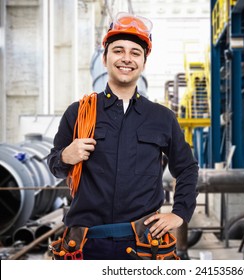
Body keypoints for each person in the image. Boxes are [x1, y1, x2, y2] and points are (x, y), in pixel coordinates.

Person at [47, 12, 199, 260]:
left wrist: (180, 213)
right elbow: (54, 164)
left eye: (135, 53)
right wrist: (65, 155)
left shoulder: (162, 118)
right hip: (86, 244)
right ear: (105, 58)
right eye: (118, 51)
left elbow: (188, 168)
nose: (126, 58)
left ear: (143, 63)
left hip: (143, 246)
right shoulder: (78, 112)